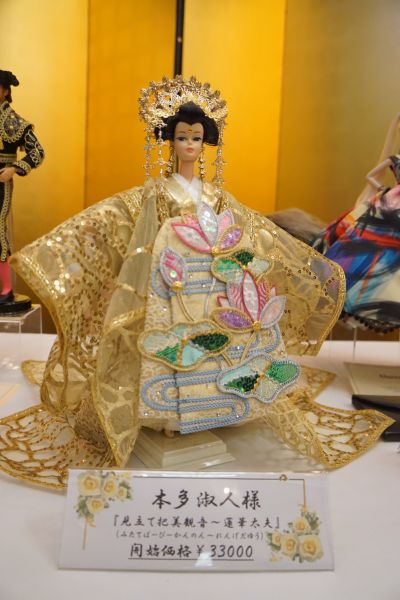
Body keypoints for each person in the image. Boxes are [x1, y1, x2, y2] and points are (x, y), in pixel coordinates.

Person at [0, 76, 391, 489]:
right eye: (183, 137)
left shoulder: (215, 196)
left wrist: (297, 263)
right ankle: (164, 416)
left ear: (206, 143)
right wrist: (56, 251)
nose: (189, 144)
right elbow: (119, 223)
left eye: (197, 138)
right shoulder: (157, 193)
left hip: (217, 291)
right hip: (166, 290)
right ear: (170, 140)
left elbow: (254, 230)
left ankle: (215, 408)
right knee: (163, 353)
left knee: (222, 350)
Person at [313, 114, 400, 332]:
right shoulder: (395, 159)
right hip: (390, 204)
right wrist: (380, 189)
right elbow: (371, 175)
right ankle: (355, 291)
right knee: (368, 248)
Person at [0, 69, 44, 306]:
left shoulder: (14, 121)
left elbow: (37, 151)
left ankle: (6, 289)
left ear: (6, 92)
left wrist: (14, 169)